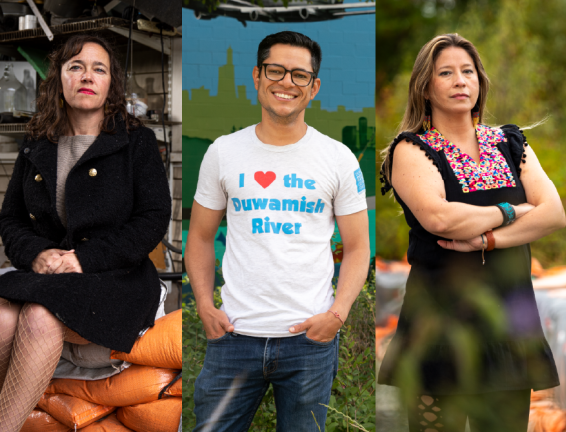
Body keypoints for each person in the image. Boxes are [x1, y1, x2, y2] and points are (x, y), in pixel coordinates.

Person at [378, 33, 564, 432]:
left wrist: (487, 239)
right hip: (441, 329)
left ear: (479, 82)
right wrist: (512, 209)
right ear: (426, 87)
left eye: (468, 72)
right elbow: (440, 220)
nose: (460, 81)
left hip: (508, 327)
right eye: (446, 73)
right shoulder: (412, 150)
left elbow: (554, 214)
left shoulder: (510, 144)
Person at [186, 31, 370, 431]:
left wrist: (336, 316)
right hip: (233, 338)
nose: (286, 82)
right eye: (276, 70)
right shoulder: (223, 151)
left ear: (314, 87)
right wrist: (203, 304)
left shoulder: (337, 158)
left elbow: (357, 248)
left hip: (309, 343)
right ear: (256, 76)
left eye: (299, 75)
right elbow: (199, 236)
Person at [0, 34, 171, 432]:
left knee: (37, 315)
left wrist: (84, 259)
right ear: (59, 80)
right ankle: (2, 423)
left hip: (114, 277)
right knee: (0, 312)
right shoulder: (37, 144)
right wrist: (36, 254)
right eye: (75, 67)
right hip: (53, 275)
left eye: (98, 69)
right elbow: (11, 221)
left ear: (111, 84)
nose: (87, 76)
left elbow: (153, 219)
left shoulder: (136, 143)